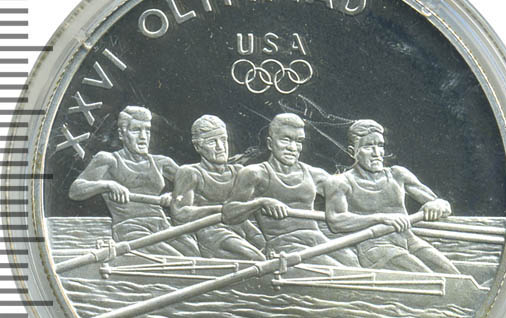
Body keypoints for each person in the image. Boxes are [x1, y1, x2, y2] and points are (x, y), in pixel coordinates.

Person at [223, 113, 358, 267]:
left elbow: (350, 197)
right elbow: (228, 214)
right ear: (270, 143)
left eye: (298, 141)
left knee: (354, 262)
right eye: (286, 140)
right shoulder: (254, 174)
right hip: (284, 245)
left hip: (316, 239)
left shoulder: (315, 174)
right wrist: (261, 202)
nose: (293, 148)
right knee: (338, 270)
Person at [325, 119, 459, 273]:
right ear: (352, 151)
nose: (377, 153)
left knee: (453, 274)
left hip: (409, 241)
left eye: (380, 145)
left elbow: (441, 204)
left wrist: (438, 205)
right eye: (368, 147)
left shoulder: (398, 174)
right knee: (432, 279)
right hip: (375, 247)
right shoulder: (340, 182)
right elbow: (336, 221)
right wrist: (381, 218)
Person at [69, 106, 199, 256]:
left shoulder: (162, 162)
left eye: (147, 130)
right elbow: (75, 190)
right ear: (122, 134)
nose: (143, 137)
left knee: (195, 253)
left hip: (162, 225)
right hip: (130, 229)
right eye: (136, 130)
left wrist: (176, 196)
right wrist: (108, 185)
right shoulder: (108, 160)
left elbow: (194, 187)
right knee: (175, 258)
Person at [171, 115, 265, 260]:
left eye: (223, 139)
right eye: (212, 142)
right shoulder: (190, 173)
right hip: (211, 231)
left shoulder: (238, 172)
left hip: (243, 228)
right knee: (256, 258)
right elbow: (179, 214)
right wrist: (222, 210)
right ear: (198, 147)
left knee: (271, 249)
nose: (220, 147)